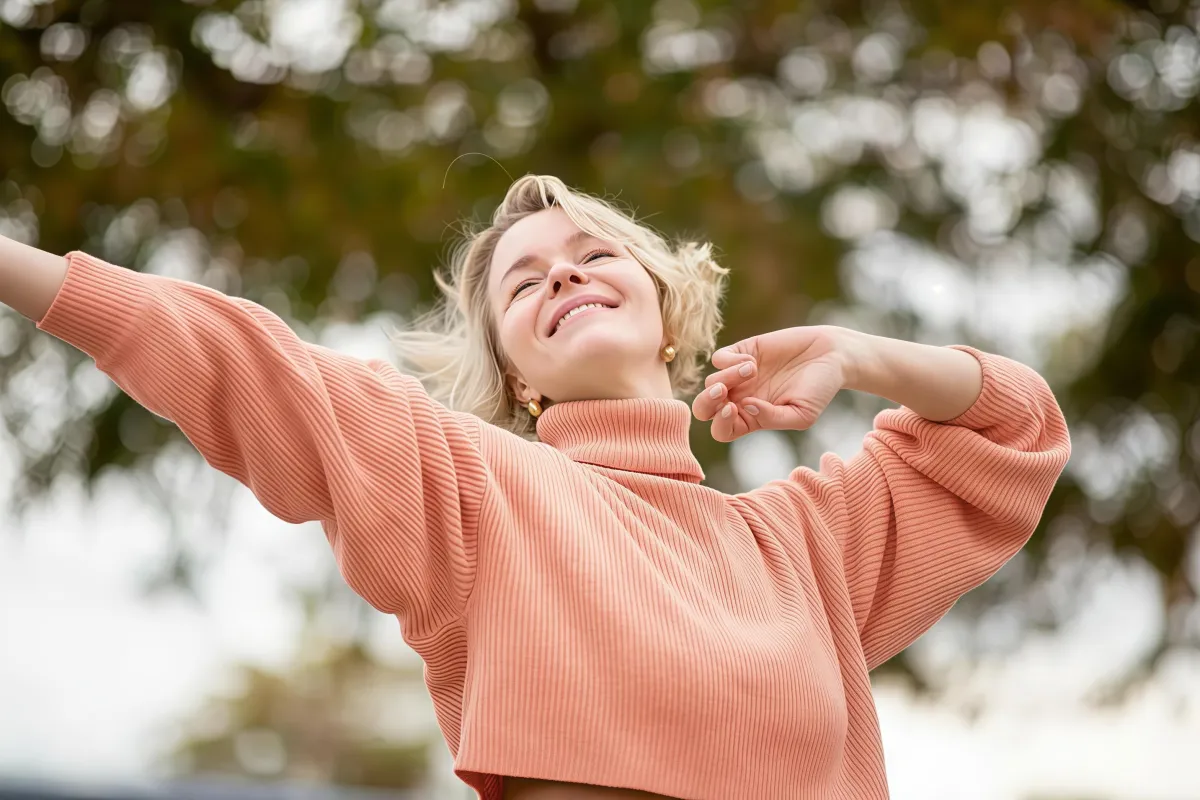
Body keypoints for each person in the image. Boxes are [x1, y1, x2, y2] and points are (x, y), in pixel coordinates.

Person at [0, 174, 1071, 800]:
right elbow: (245, 361)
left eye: (593, 251)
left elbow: (1015, 427)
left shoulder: (807, 542)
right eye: (524, 279)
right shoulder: (473, 489)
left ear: (669, 306)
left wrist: (858, 351)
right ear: (515, 367)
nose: (562, 271)